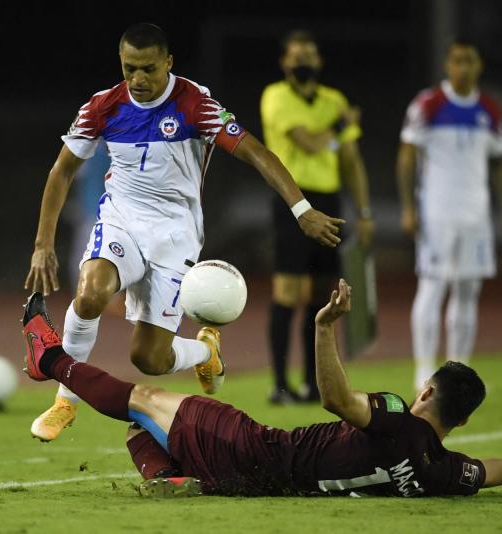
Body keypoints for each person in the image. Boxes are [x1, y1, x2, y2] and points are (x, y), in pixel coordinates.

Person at [24, 23, 345, 442]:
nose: (138, 79)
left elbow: (258, 153)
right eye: (129, 68)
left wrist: (301, 210)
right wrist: (43, 245)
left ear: (169, 63)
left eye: (148, 69)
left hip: (176, 235)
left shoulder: (195, 104)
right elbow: (62, 170)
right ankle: (66, 400)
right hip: (122, 218)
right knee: (89, 294)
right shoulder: (102, 107)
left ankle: (205, 351)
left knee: (149, 359)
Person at [21, 281, 502, 498]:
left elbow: (337, 400)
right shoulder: (444, 471)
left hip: (260, 451)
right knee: (147, 423)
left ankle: (49, 357)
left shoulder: (395, 419)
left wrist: (322, 327)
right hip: (266, 483)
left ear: (431, 394)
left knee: (143, 399)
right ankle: (173, 477)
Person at [260, 30, 373, 404]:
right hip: (292, 199)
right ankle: (279, 385)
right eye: (295, 57)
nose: (302, 62)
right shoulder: (276, 96)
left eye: (309, 55)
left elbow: (350, 160)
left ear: (320, 61)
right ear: (284, 63)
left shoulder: (333, 99)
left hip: (330, 197)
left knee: (322, 294)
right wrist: (341, 125)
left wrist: (365, 211)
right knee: (288, 293)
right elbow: (308, 141)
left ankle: (313, 383)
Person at [397, 38, 502, 391]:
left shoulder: (491, 110)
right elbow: (406, 156)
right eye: (457, 61)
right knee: (432, 286)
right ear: (448, 65)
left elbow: (499, 164)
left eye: (470, 61)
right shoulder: (428, 104)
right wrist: (408, 207)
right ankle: (423, 372)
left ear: (479, 66)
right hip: (437, 213)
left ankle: (459, 373)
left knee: (468, 291)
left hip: (476, 216)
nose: (463, 67)